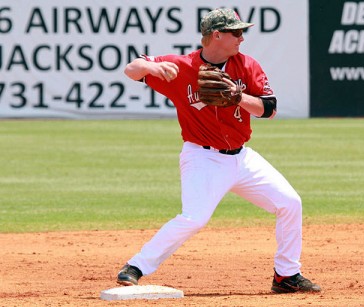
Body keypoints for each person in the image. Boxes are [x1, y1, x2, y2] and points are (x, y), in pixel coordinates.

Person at [117, 8, 321, 294]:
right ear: (216, 35)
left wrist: (239, 98)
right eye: (236, 32)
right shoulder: (182, 66)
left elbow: (270, 110)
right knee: (195, 217)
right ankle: (135, 266)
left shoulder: (247, 65)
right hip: (202, 156)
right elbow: (131, 69)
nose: (241, 37)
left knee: (290, 203)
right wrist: (150, 67)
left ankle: (286, 275)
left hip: (242, 157)